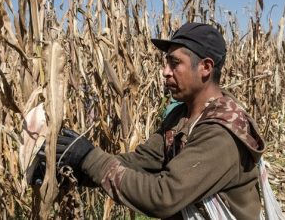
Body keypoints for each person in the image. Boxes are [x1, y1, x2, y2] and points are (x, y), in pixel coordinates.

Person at [38, 22, 265, 219]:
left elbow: (163, 196)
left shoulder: (221, 133)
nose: (165, 72)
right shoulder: (182, 117)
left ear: (205, 67)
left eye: (175, 63)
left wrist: (90, 158)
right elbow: (142, 162)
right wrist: (77, 168)